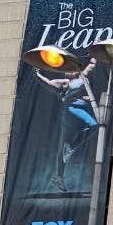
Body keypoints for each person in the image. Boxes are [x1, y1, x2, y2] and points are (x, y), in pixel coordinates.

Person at [34, 55, 99, 192]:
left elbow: (92, 63)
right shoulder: (66, 82)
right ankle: (69, 153)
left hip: (79, 110)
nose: (69, 71)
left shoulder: (83, 75)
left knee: (66, 144)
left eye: (71, 69)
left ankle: (59, 176)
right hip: (71, 111)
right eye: (67, 71)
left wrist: (96, 50)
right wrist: (37, 74)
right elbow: (48, 83)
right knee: (93, 126)